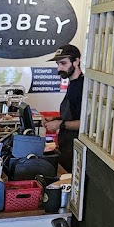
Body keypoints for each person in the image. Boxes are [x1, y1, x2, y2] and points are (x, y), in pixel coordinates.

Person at [44, 44, 84, 173]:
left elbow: (85, 123)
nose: (59, 68)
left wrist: (59, 124)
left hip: (75, 150)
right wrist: (55, 119)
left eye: (63, 63)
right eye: (58, 64)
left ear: (76, 61)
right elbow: (73, 115)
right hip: (65, 147)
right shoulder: (72, 84)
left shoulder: (82, 87)